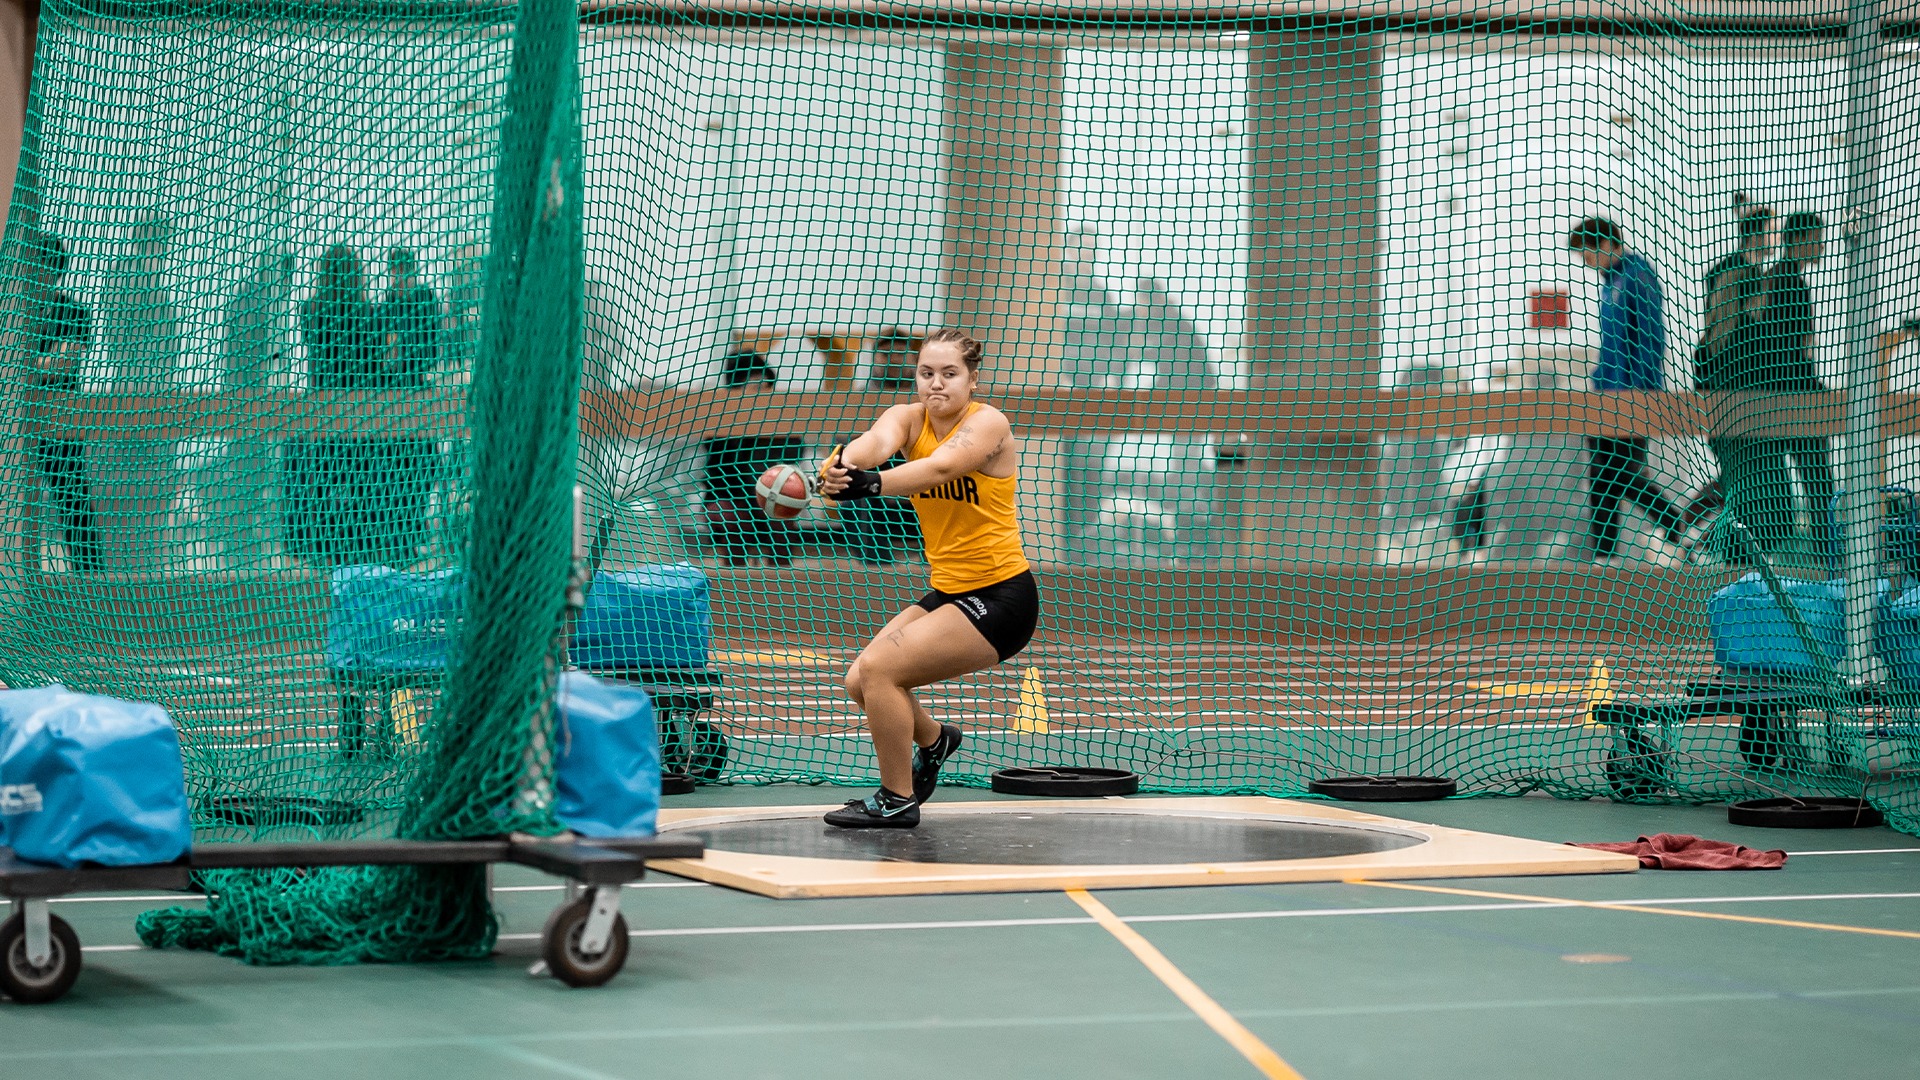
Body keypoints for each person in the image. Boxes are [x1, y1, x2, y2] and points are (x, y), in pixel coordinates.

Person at [817, 328, 1039, 827]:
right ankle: (937, 740)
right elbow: (875, 442)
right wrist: (843, 465)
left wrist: (870, 484)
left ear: (972, 380)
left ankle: (897, 799)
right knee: (860, 680)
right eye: (926, 373)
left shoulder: (989, 424)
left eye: (949, 373)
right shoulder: (908, 417)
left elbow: (942, 468)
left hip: (1001, 599)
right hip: (951, 592)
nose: (935, 383)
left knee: (880, 671)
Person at [287, 244, 434, 566]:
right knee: (361, 487)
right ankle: (368, 546)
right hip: (360, 419)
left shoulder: (311, 311)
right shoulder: (367, 316)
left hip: (324, 416)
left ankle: (321, 547)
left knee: (325, 486)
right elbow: (376, 365)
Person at [1568, 217, 1685, 562]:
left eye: (1587, 252)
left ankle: (1674, 525)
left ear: (1606, 243)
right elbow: (1612, 347)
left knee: (1619, 474)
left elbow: (1651, 339)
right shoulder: (1611, 283)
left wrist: (1641, 395)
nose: (1585, 261)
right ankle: (1606, 556)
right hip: (1607, 398)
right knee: (1603, 478)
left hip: (1632, 398)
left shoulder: (1637, 277)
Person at [1688, 205, 1780, 553]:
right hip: (1733, 401)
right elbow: (1718, 338)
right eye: (1772, 230)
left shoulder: (1746, 273)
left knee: (1748, 490)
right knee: (1748, 491)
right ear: (1758, 234)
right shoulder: (1738, 275)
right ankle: (1703, 545)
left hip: (1737, 401)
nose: (1777, 238)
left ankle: (1699, 541)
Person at [22, 233, 101, 572]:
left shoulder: (73, 312)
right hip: (17, 425)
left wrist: (24, 368)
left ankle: (89, 583)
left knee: (74, 505)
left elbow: (64, 363)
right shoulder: (13, 314)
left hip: (61, 428)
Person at [1758, 211, 1834, 557]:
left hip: (1776, 396)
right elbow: (1793, 349)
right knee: (1818, 482)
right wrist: (1816, 391)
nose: (1821, 246)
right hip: (1793, 399)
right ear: (1800, 240)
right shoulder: (1790, 285)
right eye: (1816, 239)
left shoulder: (1776, 278)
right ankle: (1826, 557)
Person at [701, 346, 803, 567]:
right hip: (730, 497)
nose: (762, 392)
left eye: (765, 386)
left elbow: (794, 455)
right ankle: (735, 582)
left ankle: (780, 583)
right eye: (755, 386)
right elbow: (716, 475)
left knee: (783, 519)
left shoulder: (779, 417)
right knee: (733, 518)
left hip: (772, 496)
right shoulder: (720, 419)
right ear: (737, 388)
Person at [379, 246, 442, 387]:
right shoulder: (389, 302)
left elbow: (432, 341)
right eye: (393, 272)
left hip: (419, 374)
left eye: (402, 271)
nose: (397, 278)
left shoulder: (426, 297)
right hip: (392, 376)